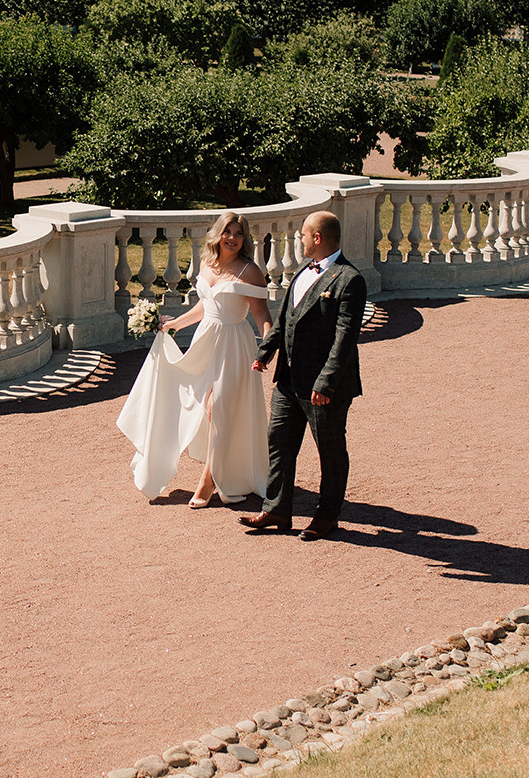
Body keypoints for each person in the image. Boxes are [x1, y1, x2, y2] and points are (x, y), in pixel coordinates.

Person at [117, 212, 273, 508]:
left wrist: (268, 345)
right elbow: (207, 305)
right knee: (200, 406)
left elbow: (261, 314)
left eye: (239, 234)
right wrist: (177, 323)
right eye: (228, 231)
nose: (232, 238)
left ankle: (208, 480)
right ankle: (219, 472)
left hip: (234, 344)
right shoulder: (208, 264)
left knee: (219, 408)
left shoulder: (250, 271)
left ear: (245, 239)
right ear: (218, 234)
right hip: (205, 342)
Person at [251, 211, 365, 539]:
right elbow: (286, 317)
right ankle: (276, 510)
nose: (299, 240)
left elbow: (345, 338)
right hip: (288, 381)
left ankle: (327, 516)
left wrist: (326, 382)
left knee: (329, 451)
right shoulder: (303, 271)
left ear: (317, 238)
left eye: (303, 235)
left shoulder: (349, 279)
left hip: (323, 387)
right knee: (279, 443)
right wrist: (266, 351)